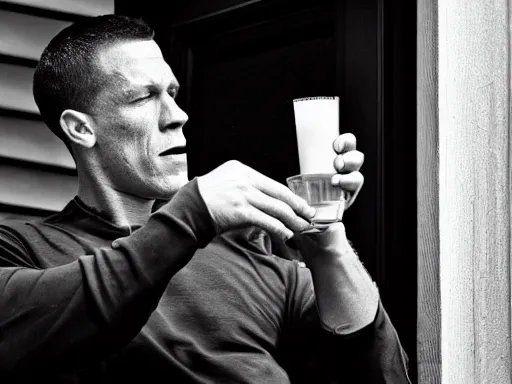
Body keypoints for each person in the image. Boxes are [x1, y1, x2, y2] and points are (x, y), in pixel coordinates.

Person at [0, 15, 410, 383]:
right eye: (144, 97)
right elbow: (80, 310)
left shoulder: (250, 255)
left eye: (173, 92)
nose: (177, 114)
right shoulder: (20, 250)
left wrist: (325, 238)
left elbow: (378, 372)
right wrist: (196, 209)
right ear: (81, 129)